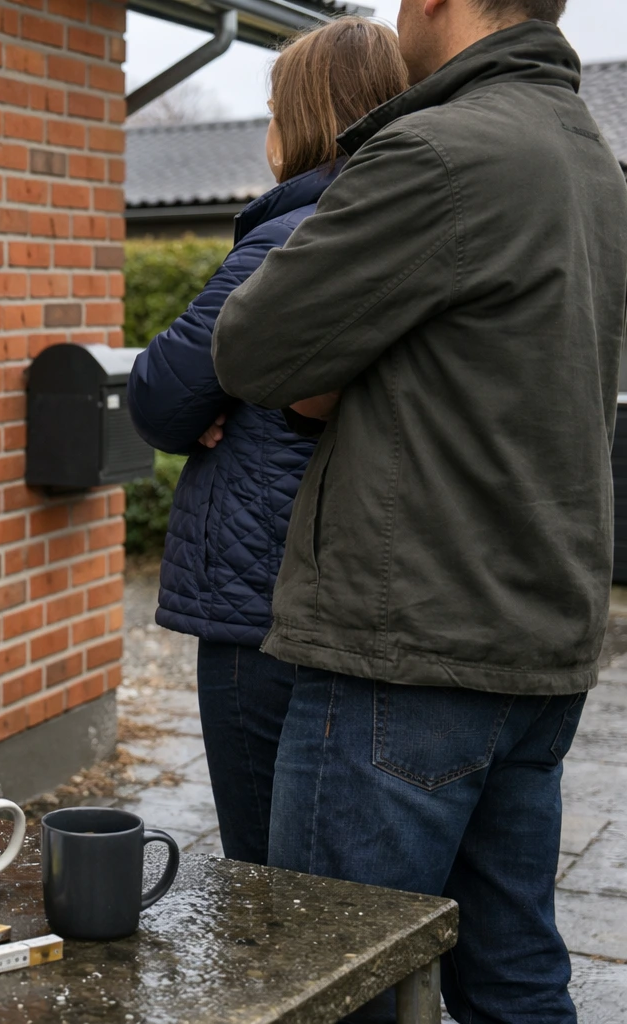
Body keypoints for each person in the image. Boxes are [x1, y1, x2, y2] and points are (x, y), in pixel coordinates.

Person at [212, 0, 627, 1019]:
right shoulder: (592, 162)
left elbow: (252, 347)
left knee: (334, 977)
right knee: (512, 966)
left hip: (407, 648)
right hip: (539, 637)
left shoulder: (438, 153)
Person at [126, 18, 408, 866]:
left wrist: (223, 397)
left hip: (265, 604)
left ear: (307, 121)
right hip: (354, 591)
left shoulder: (287, 239)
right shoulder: (402, 222)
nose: (265, 134)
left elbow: (161, 396)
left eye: (275, 109)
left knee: (269, 883)